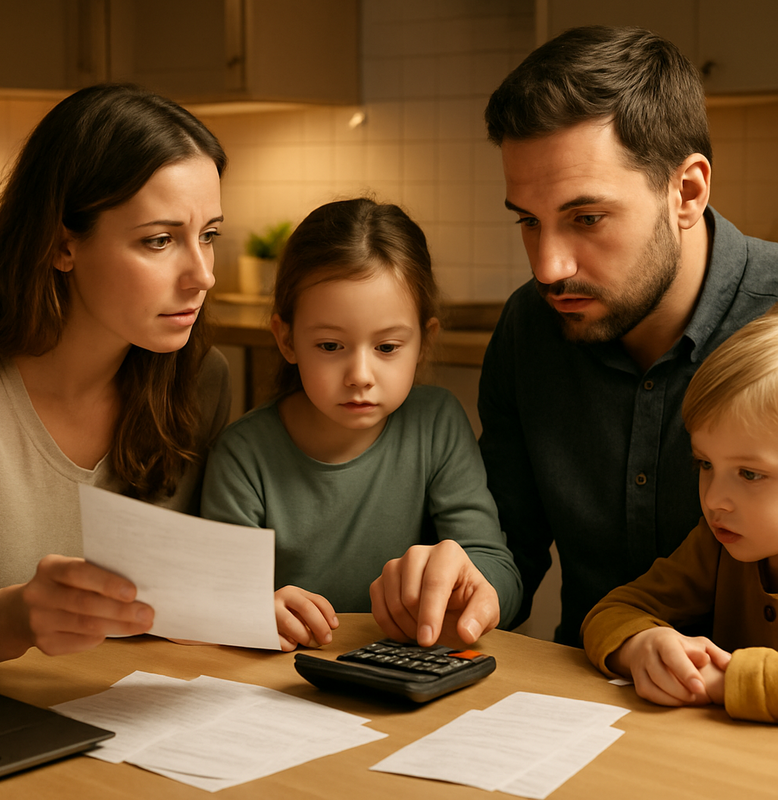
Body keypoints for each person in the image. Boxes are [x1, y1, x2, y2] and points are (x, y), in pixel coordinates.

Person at [478, 25, 778, 647]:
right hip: (586, 688)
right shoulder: (528, 327)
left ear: (687, 192)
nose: (548, 268)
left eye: (586, 218)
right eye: (529, 223)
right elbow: (510, 544)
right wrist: (469, 585)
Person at [0, 84, 231, 671]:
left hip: (123, 731)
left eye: (209, 235)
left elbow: (186, 602)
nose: (202, 276)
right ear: (62, 244)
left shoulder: (200, 382)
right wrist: (13, 618)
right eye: (160, 240)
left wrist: (247, 605)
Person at [201, 197, 521, 651]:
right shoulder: (244, 453)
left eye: (388, 347)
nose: (360, 376)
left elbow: (500, 575)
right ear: (286, 339)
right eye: (331, 346)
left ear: (423, 342)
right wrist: (247, 610)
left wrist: (475, 587)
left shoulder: (436, 423)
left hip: (406, 676)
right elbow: (211, 598)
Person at [582, 306, 778, 722]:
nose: (714, 500)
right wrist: (641, 644)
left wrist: (723, 680)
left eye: (749, 473)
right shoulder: (716, 543)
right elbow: (614, 610)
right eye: (704, 465)